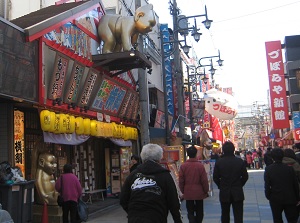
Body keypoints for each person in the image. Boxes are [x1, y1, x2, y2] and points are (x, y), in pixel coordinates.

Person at [120, 143, 183, 223]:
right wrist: (178, 220)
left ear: (143, 157)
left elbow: (123, 199)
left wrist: (132, 212)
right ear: (160, 158)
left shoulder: (133, 175)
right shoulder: (165, 176)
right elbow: (174, 202)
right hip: (157, 217)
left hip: (135, 218)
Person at [213, 141, 249, 223]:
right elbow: (245, 176)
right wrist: (240, 184)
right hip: (237, 191)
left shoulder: (219, 162)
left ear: (223, 150)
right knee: (238, 215)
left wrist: (220, 185)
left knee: (225, 214)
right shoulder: (239, 161)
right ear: (233, 150)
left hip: (224, 191)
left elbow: (215, 177)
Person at [264, 148, 300, 223]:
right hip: (290, 197)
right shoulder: (289, 169)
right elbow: (295, 184)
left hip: (275, 198)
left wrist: (269, 196)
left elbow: (267, 185)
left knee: (277, 219)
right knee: (292, 219)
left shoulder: (269, 169)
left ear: (272, 157)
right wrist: (297, 197)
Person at [179, 145, 209, 223]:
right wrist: (206, 190)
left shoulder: (183, 166)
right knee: (199, 211)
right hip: (199, 192)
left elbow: (181, 180)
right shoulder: (200, 166)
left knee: (190, 211)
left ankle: (191, 221)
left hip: (188, 192)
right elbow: (204, 180)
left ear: (188, 154)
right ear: (196, 154)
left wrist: (183, 190)